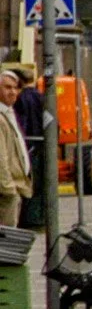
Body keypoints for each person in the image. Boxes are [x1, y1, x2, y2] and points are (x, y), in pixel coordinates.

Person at [0, 97, 30, 231]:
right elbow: (2, 157)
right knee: (7, 238)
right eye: (7, 87)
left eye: (15, 88)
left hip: (15, 186)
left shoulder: (9, 113)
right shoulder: (2, 117)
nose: (13, 92)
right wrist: (9, 188)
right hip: (7, 190)